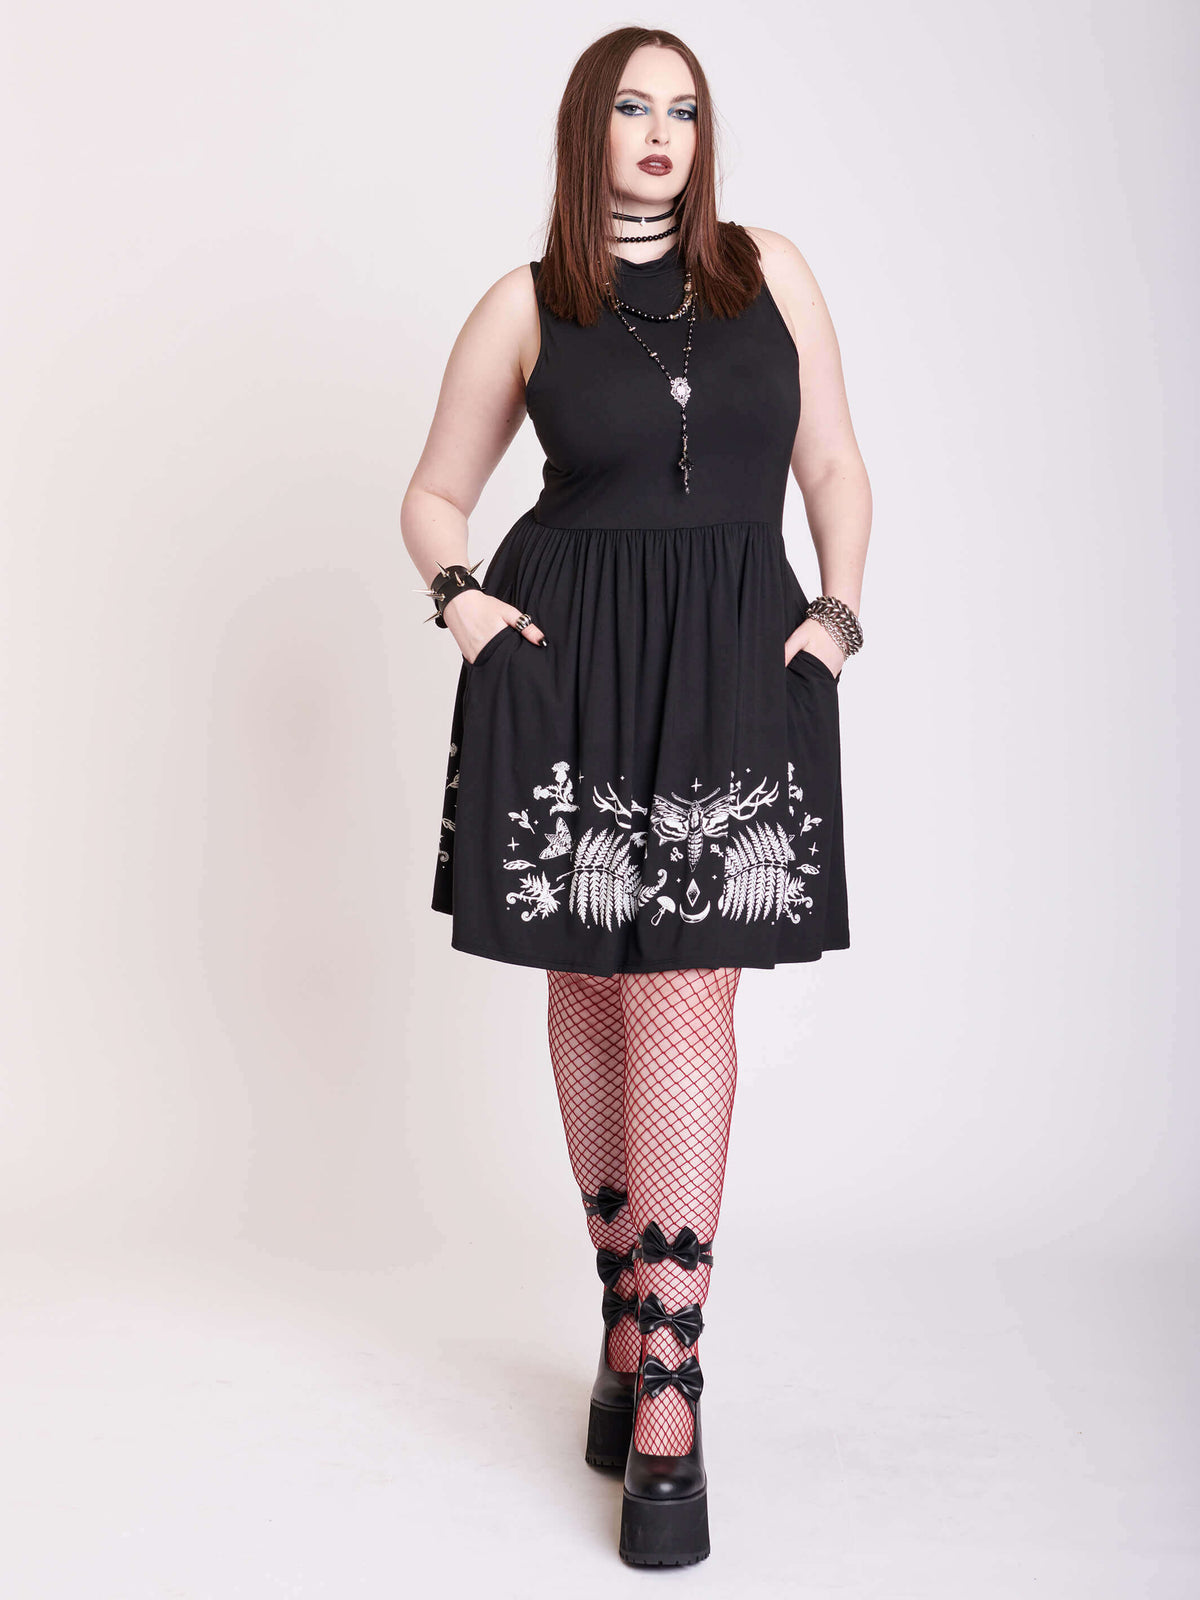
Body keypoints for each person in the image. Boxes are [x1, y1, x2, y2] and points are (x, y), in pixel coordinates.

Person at [401, 25, 871, 1568]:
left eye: (684, 108)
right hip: (571, 661)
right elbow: (434, 494)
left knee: (686, 999)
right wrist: (464, 602)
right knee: (598, 988)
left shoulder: (769, 273)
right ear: (585, 131)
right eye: (631, 107)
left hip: (734, 656)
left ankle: (666, 1383)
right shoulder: (525, 302)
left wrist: (837, 613)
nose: (662, 131)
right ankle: (627, 1321)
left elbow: (833, 465)